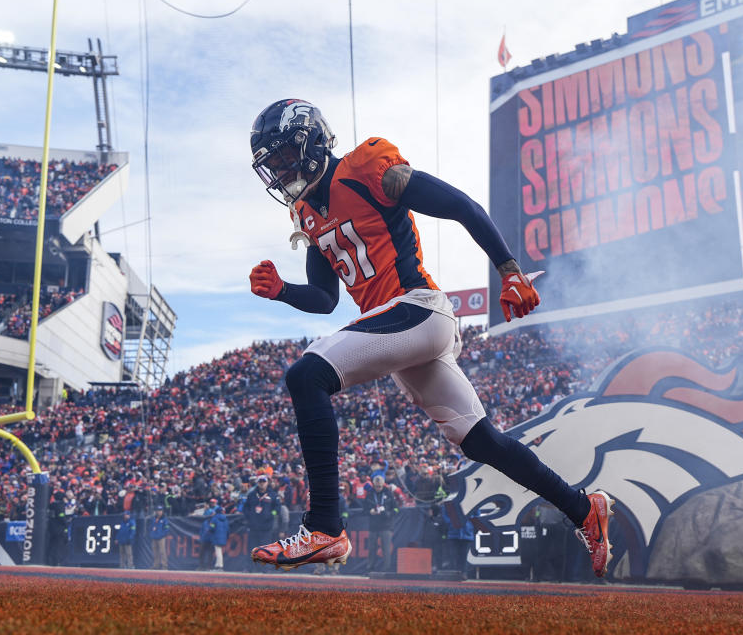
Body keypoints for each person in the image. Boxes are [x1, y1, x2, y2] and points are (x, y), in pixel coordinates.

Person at [246, 99, 613, 576]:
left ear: (313, 141)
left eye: (284, 157)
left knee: (305, 375)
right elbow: (324, 297)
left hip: (418, 309)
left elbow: (462, 206)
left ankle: (326, 528)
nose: (280, 170)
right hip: (401, 333)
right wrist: (282, 292)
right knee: (481, 441)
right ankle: (583, 508)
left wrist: (509, 270)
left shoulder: (366, 169)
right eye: (271, 165)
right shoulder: (306, 213)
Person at [362, 476, 397, 573]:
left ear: (383, 485)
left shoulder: (389, 494)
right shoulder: (369, 495)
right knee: (371, 548)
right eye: (377, 486)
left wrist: (388, 513)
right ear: (373, 485)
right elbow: (363, 510)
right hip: (373, 525)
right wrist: (370, 511)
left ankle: (387, 569)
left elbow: (396, 509)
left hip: (386, 525)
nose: (378, 488)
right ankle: (370, 568)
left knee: (386, 548)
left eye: (380, 486)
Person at [243, 476, 277, 569]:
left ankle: (266, 568)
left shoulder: (273, 494)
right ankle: (250, 568)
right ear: (257, 483)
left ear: (267, 483)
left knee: (265, 549)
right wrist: (249, 516)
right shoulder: (251, 495)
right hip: (254, 526)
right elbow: (245, 507)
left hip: (266, 527)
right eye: (260, 482)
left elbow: (277, 508)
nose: (262, 483)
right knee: (252, 548)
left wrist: (270, 515)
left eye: (264, 481)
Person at [209, 504, 229, 571]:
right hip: (223, 537)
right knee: (219, 551)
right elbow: (228, 529)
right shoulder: (225, 519)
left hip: (216, 537)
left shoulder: (214, 518)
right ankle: (217, 566)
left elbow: (211, 528)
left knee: (218, 552)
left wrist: (210, 530)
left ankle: (220, 566)